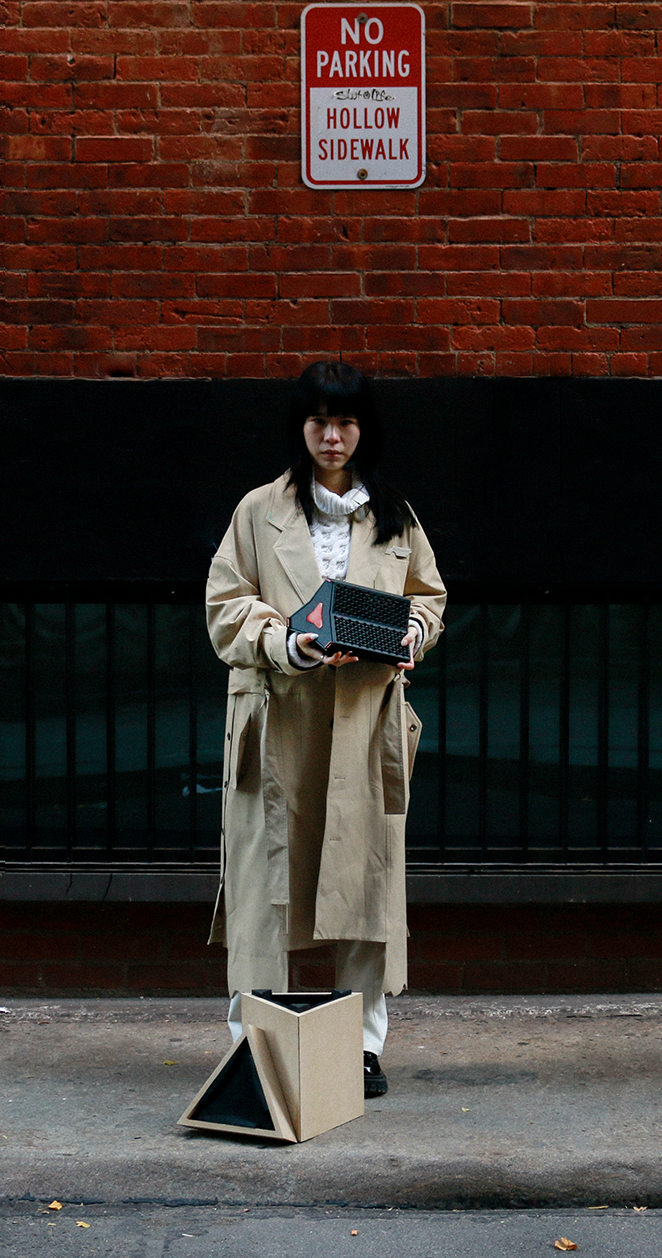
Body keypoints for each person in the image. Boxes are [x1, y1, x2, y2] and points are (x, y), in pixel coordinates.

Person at [204, 362, 447, 1099]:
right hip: (279, 718)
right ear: (300, 427)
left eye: (344, 422)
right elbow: (225, 606)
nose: (332, 436)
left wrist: (413, 633)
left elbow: (428, 598)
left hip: (364, 720)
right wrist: (287, 642)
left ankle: (361, 1048)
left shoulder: (394, 516)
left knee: (362, 884)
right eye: (319, 421)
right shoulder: (259, 511)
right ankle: (255, 1047)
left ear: (363, 429)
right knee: (265, 888)